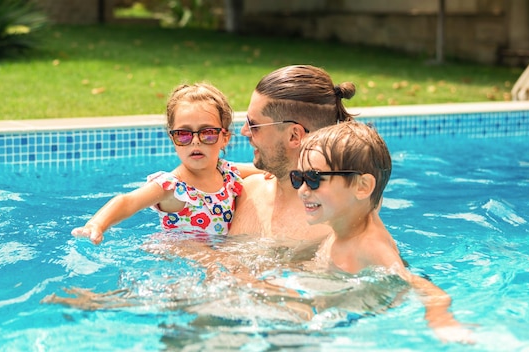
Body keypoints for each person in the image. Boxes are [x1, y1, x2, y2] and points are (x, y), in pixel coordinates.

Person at [290, 120, 474, 343]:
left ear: (362, 187)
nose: (302, 190)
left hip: (360, 325)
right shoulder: (346, 221)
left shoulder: (370, 245)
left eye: (314, 179)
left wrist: (441, 319)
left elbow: (429, 290)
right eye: (298, 177)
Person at [72, 82, 257, 244]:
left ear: (225, 138)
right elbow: (127, 201)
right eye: (183, 134)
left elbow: (263, 170)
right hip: (180, 261)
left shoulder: (228, 173)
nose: (195, 141)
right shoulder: (171, 187)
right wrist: (96, 224)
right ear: (172, 139)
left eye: (207, 132)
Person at [229, 64, 356, 243]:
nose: (244, 131)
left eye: (253, 125)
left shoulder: (333, 227)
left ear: (294, 135)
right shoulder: (248, 190)